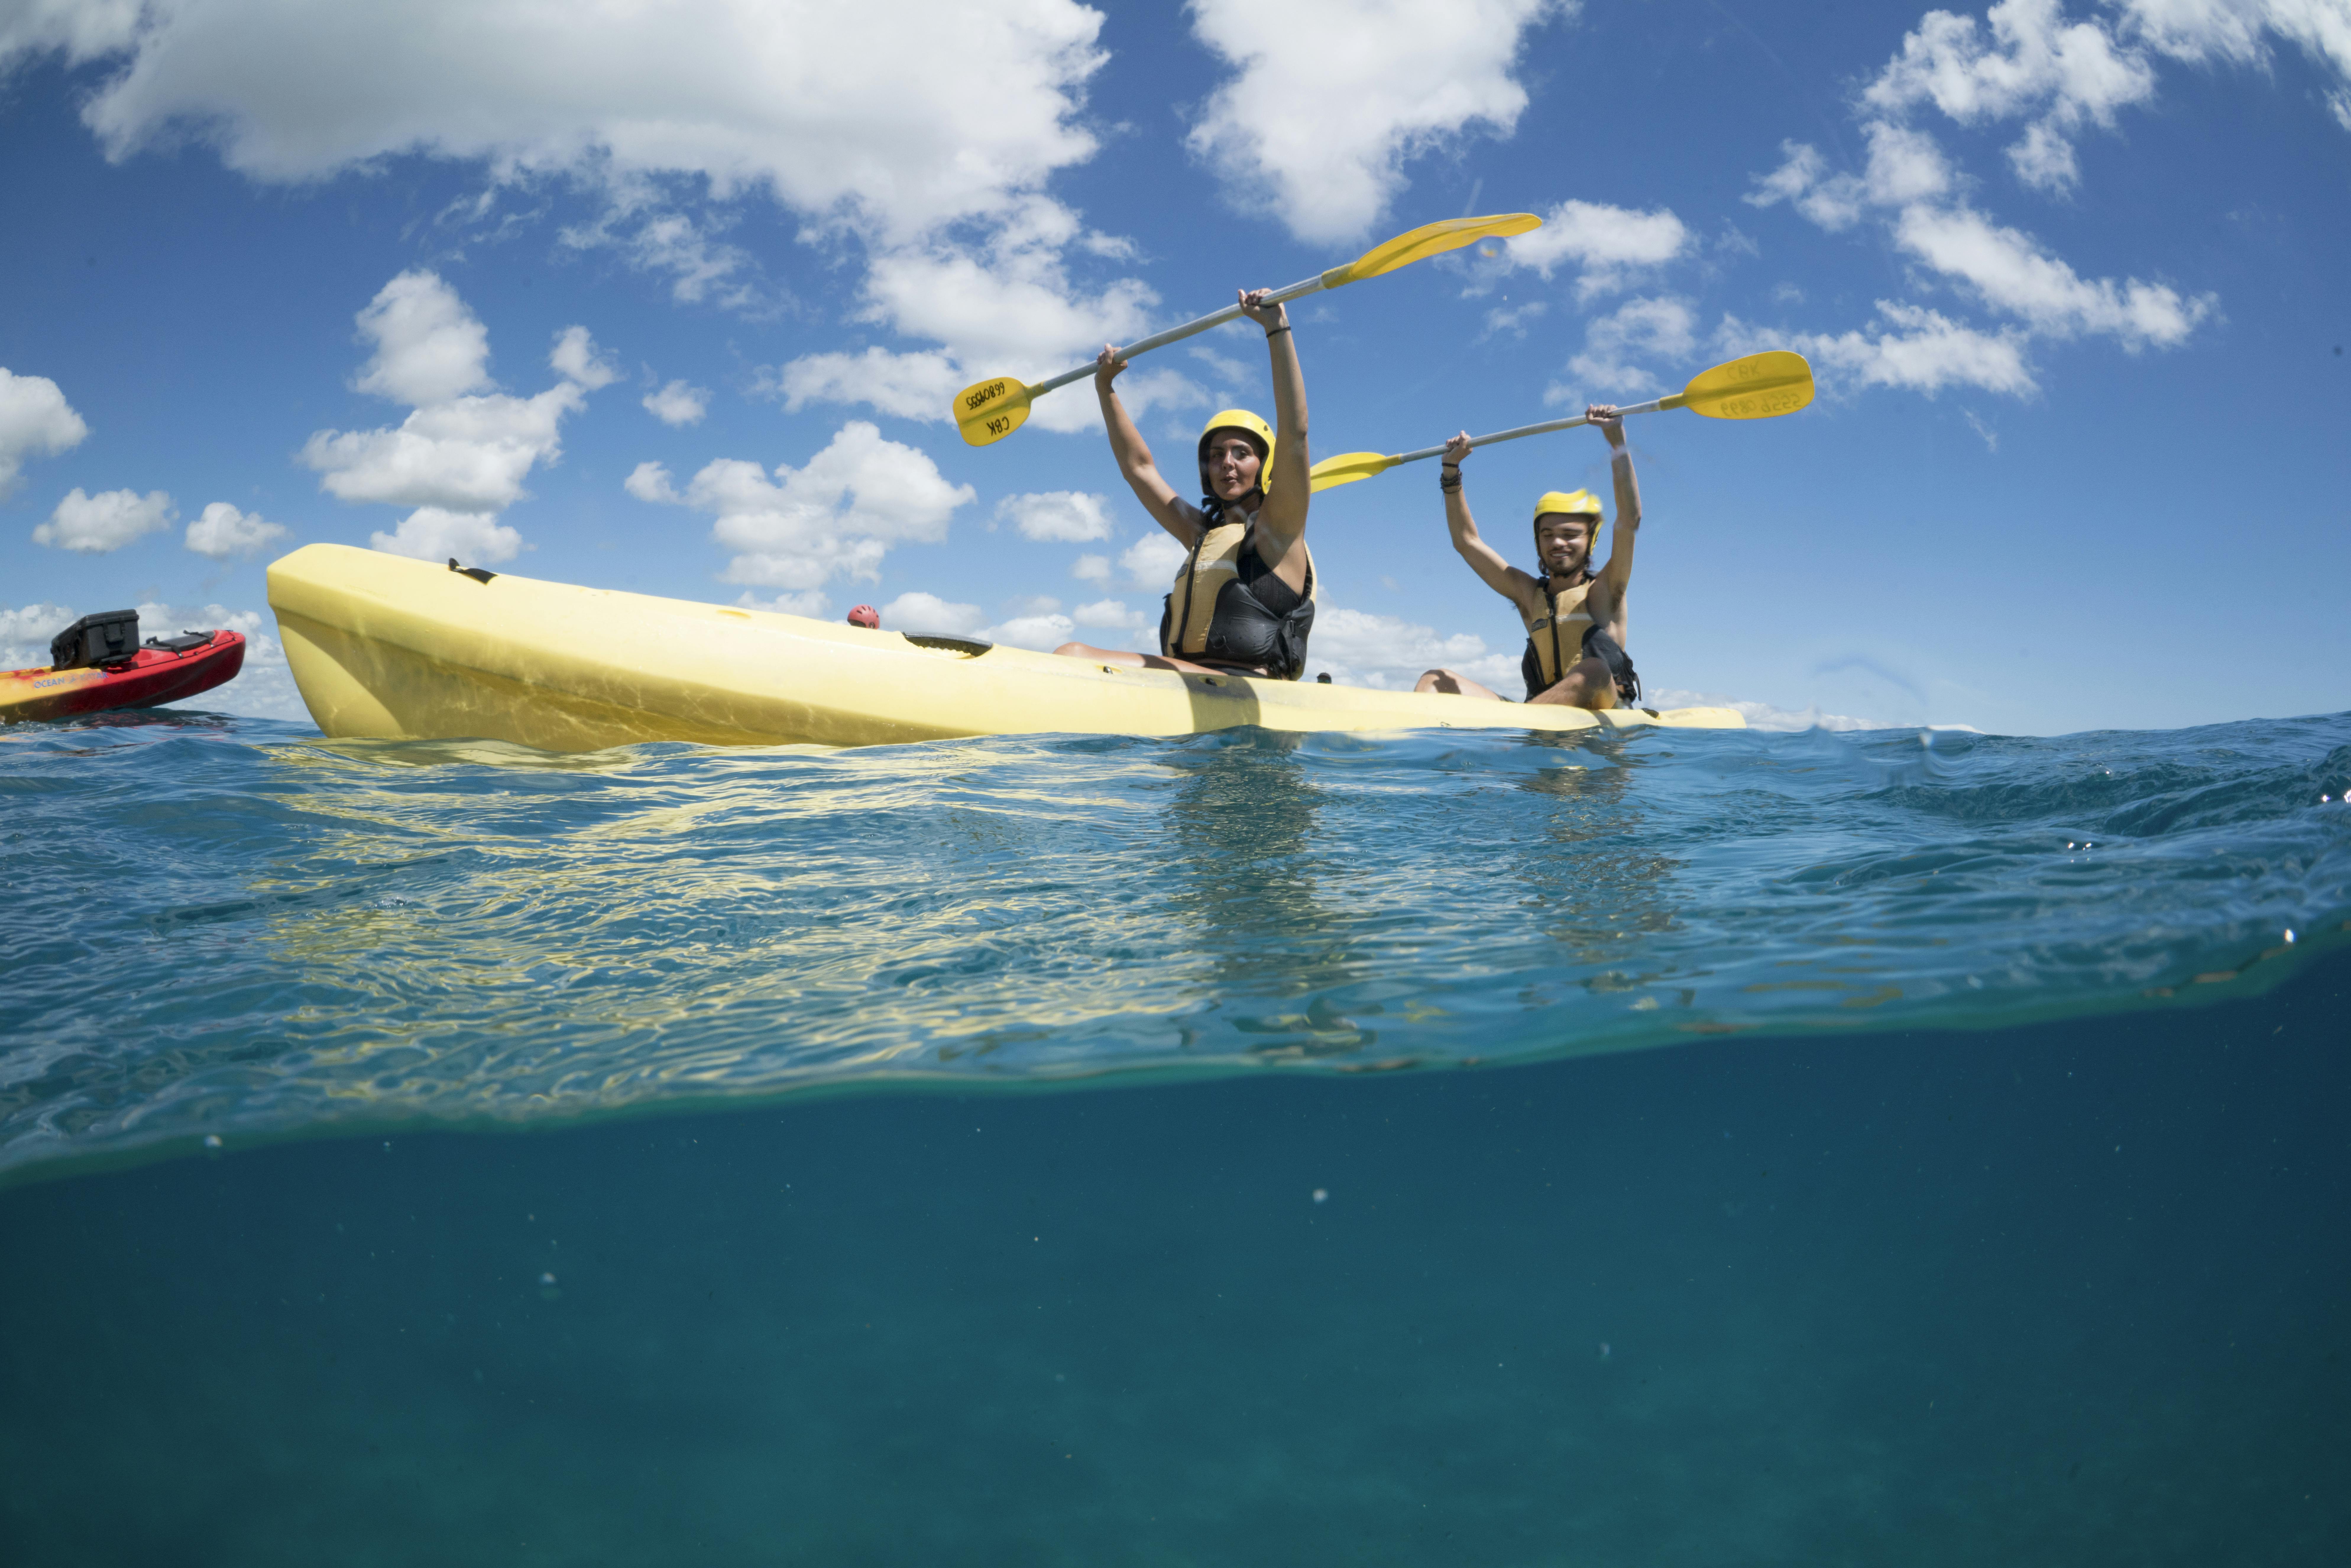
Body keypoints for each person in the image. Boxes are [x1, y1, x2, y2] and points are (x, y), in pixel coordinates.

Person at [1051, 288, 1316, 679]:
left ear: (1265, 464)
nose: (1226, 464)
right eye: (1216, 455)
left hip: (1249, 688)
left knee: (1074, 657)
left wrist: (1277, 328)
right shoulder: (1200, 534)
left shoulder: (1280, 531)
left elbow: (1295, 434)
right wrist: (1105, 388)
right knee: (1069, 652)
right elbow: (1138, 468)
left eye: (1241, 453)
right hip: (1191, 680)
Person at [1414, 405, 1642, 708]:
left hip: (1602, 719)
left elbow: (1628, 520)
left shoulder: (1605, 591)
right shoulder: (1528, 595)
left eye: (1570, 534)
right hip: (1536, 716)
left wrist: (1616, 441)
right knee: (1434, 679)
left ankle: (1517, 736)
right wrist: (1450, 472)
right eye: (1547, 534)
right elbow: (1467, 542)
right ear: (1538, 542)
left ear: (1590, 541)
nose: (1558, 542)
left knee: (1594, 671)